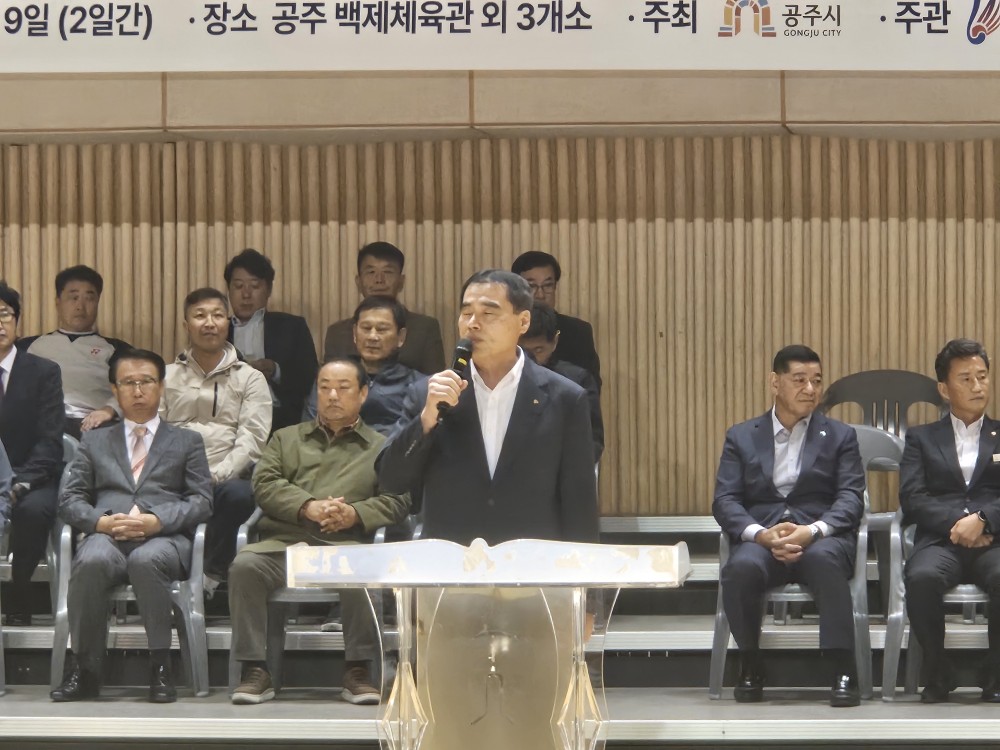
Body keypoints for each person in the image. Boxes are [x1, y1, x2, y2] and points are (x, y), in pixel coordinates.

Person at [228, 359, 410, 705]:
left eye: (343, 388)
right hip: (284, 544)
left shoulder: (381, 446)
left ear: (363, 394)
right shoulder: (286, 438)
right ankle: (255, 669)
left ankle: (358, 669)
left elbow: (398, 500)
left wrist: (354, 514)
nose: (332, 395)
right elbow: (264, 484)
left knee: (363, 569)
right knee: (245, 566)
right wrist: (306, 506)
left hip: (345, 547)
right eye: (324, 387)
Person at [378, 269, 598, 545]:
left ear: (523, 321)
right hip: (451, 559)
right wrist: (426, 420)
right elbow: (391, 480)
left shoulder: (565, 398)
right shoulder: (428, 394)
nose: (473, 323)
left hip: (532, 561)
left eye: (488, 313)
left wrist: (582, 568)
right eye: (466, 312)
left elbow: (579, 502)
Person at [52, 348, 212, 703]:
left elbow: (202, 501)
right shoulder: (94, 440)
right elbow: (70, 499)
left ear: (162, 387)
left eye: (146, 382)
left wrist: (158, 521)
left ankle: (161, 667)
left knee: (145, 560)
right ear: (115, 389)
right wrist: (101, 522)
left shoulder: (187, 441)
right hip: (107, 534)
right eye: (128, 383)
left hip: (164, 539)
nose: (138, 391)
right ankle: (84, 670)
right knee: (91, 560)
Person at [712, 345, 865, 707]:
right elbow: (725, 500)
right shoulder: (741, 436)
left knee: (825, 561)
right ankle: (750, 662)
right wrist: (760, 535)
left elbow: (851, 497)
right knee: (741, 568)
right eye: (799, 380)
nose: (810, 389)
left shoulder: (840, 436)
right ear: (774, 382)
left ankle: (843, 668)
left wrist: (814, 530)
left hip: (819, 536)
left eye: (816, 381)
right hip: (764, 536)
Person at [900, 338, 1000, 703]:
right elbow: (912, 498)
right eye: (966, 379)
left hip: (994, 540)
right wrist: (962, 522)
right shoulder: (921, 438)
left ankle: (996, 675)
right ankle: (938, 673)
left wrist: (984, 520)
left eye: (982, 376)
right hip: (941, 540)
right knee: (921, 577)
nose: (977, 386)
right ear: (944, 389)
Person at [160, 288, 272, 586]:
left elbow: (253, 438)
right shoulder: (165, 376)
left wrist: (218, 474)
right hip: (173, 476)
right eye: (200, 316)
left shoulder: (250, 378)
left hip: (225, 477)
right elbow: (153, 431)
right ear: (186, 325)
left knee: (241, 496)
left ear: (227, 322)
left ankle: (209, 575)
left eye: (217, 315)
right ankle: (169, 572)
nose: (209, 323)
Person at [0, 281, 64, 625]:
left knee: (34, 510)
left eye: (4, 315)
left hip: (32, 476)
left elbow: (50, 439)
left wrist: (19, 482)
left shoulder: (44, 371)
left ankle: (19, 593)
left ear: (17, 320)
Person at [18, 265, 131, 439]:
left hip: (95, 425)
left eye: (89, 298)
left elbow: (133, 386)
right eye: (73, 297)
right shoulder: (28, 346)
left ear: (98, 302)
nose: (80, 306)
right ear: (58, 303)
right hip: (39, 424)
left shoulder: (118, 349)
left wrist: (109, 410)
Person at [224, 249, 318, 432]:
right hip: (230, 420)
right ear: (229, 290)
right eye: (238, 286)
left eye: (254, 286)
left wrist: (276, 371)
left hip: (280, 421)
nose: (246, 294)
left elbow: (308, 379)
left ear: (268, 290)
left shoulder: (292, 327)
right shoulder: (219, 331)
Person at [303, 296, 426, 435]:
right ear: (355, 333)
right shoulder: (331, 378)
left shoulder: (419, 385)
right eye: (366, 328)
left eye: (382, 329)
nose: (372, 337)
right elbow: (309, 428)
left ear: (401, 337)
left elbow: (416, 438)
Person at [323, 242, 444, 375]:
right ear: (358, 282)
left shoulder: (425, 328)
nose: (379, 280)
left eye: (387, 272)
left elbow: (435, 380)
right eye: (371, 272)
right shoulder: (337, 333)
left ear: (401, 281)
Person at [519, 303, 603, 462]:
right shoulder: (502, 380)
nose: (530, 359)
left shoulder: (578, 381)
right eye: (524, 350)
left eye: (539, 350)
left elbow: (593, 439)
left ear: (554, 342)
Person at [511, 251, 600, 388]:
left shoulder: (578, 332)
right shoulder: (505, 331)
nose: (540, 295)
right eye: (532, 286)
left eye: (548, 285)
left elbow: (590, 386)